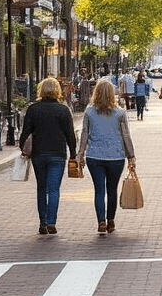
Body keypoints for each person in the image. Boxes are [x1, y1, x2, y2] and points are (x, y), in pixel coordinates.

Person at [77, 80, 136, 235]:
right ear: (112, 94)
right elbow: (126, 135)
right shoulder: (120, 112)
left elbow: (84, 133)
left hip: (94, 156)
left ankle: (101, 221)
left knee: (99, 190)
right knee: (112, 190)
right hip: (116, 157)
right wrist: (131, 156)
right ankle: (111, 220)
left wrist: (81, 153)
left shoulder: (89, 111)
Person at [19, 77, 76, 235]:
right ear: (58, 90)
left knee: (41, 188)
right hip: (58, 153)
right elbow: (70, 135)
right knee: (54, 189)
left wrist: (23, 149)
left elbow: (25, 133)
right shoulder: (63, 110)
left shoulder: (33, 109)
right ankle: (52, 221)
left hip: (38, 154)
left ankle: (42, 222)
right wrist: (73, 154)